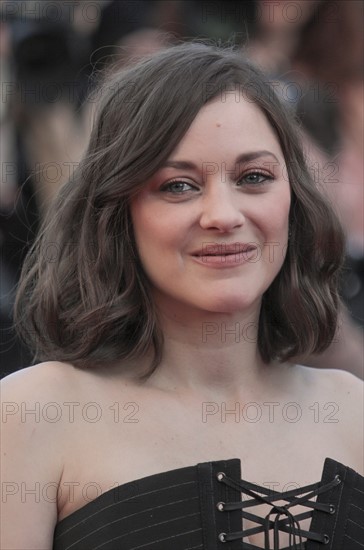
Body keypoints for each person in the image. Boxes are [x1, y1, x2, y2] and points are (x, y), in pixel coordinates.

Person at [1, 42, 363, 550]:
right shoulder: (32, 414)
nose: (223, 214)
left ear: (293, 200)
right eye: (178, 186)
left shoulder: (352, 412)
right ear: (116, 210)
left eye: (253, 177)